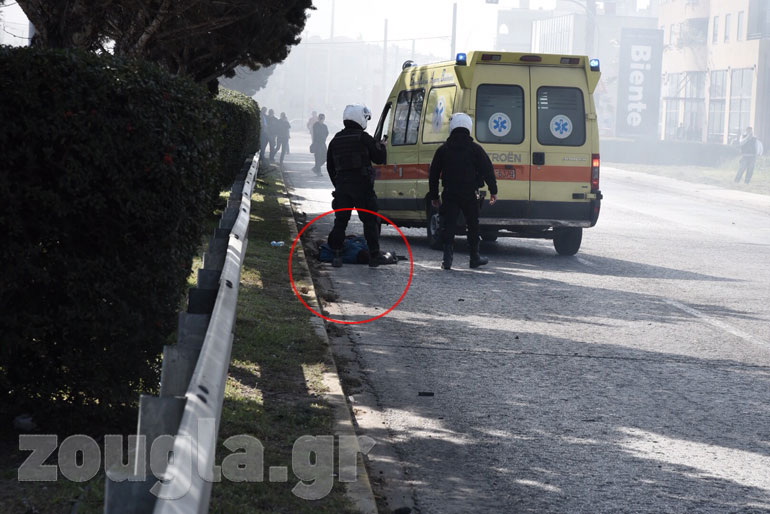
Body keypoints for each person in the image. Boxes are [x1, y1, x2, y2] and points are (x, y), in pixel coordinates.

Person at [428, 113, 498, 270]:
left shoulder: (443, 150)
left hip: (450, 193)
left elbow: (433, 174)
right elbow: (488, 170)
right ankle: (474, 257)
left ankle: (447, 259)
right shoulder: (476, 149)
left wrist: (434, 196)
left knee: (448, 225)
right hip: (470, 193)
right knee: (473, 225)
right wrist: (493, 191)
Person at [326, 104, 387, 268]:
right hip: (362, 187)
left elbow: (330, 167)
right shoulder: (364, 138)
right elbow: (379, 158)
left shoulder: (335, 140)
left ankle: (337, 254)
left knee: (340, 221)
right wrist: (382, 146)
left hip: (342, 188)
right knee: (370, 221)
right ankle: (374, 256)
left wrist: (338, 184)